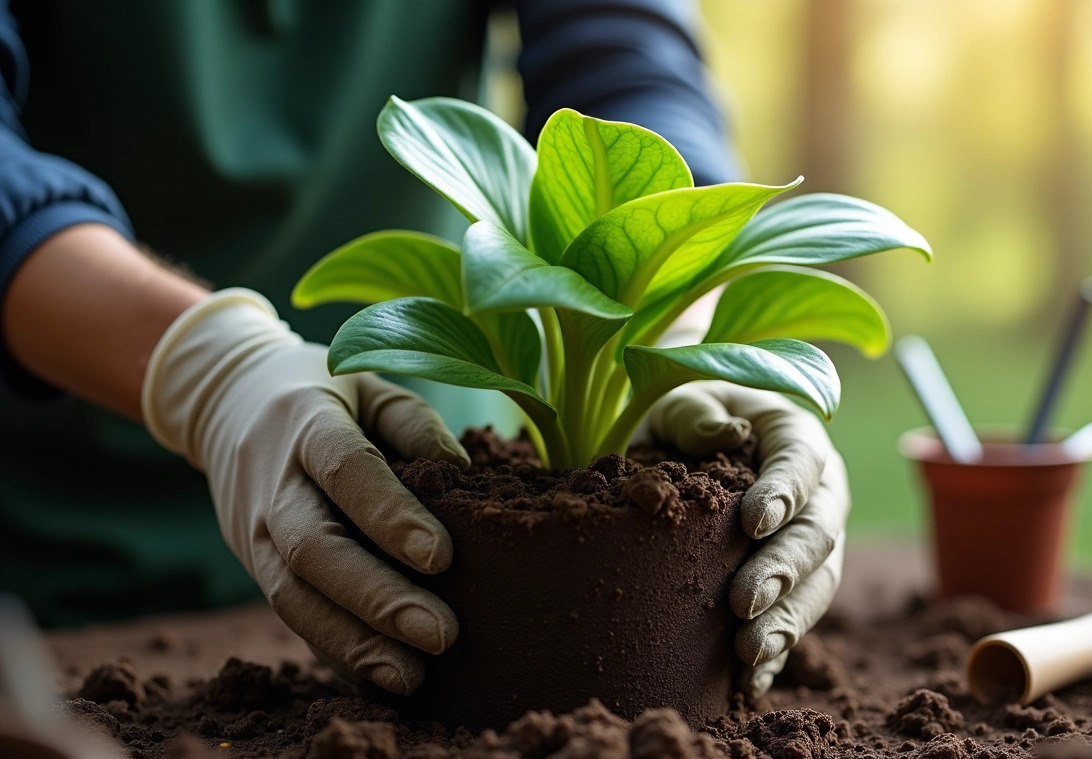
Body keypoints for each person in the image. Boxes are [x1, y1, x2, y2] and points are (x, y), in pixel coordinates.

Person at [0, 0, 848, 700]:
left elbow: (626, 59)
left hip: (413, 487)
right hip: (54, 576)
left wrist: (675, 324)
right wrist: (210, 371)